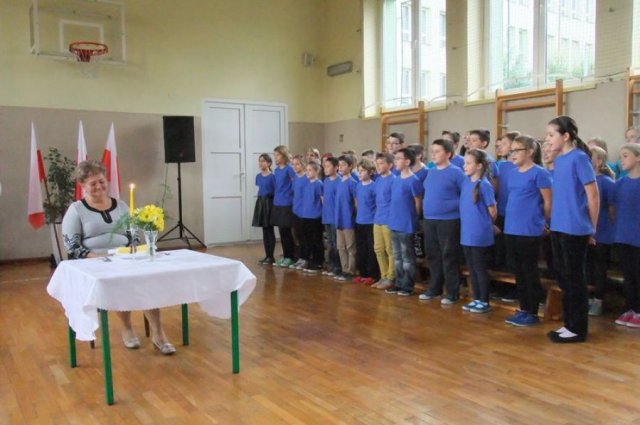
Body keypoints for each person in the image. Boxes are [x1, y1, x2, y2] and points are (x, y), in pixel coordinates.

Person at [62, 160, 175, 354]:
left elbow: (133, 235)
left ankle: (159, 334)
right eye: (93, 183)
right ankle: (127, 328)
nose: (99, 186)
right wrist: (95, 256)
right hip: (94, 262)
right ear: (83, 186)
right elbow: (71, 244)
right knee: (118, 282)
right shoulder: (76, 209)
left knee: (147, 282)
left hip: (125, 258)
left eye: (102, 181)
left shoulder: (121, 205)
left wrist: (131, 249)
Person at [546, 116, 599, 344]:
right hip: (558, 226)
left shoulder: (579, 158)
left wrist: (592, 228)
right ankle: (569, 324)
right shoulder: (559, 161)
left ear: (566, 136)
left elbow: (593, 195)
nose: (548, 139)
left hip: (574, 227)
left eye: (551, 135)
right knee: (563, 277)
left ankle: (577, 328)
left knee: (574, 279)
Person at [502, 136, 552, 326]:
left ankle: (532, 311)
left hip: (529, 229)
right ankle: (523, 308)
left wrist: (543, 222)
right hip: (512, 227)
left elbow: (548, 201)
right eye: (512, 150)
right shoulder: (513, 173)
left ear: (530, 152)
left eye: (517, 150)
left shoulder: (540, 173)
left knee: (529, 271)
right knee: (518, 271)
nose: (513, 154)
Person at [419, 139, 465, 304]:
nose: (434, 154)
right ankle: (435, 288)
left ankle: (452, 292)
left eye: (437, 151)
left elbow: (465, 195)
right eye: (432, 151)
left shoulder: (456, 172)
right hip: (430, 220)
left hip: (449, 220)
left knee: (449, 255)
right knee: (433, 255)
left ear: (448, 154)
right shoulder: (430, 172)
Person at [458, 149, 497, 313]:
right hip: (466, 232)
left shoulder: (484, 185)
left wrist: (486, 225)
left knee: (480, 268)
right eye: (464, 163)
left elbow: (492, 211)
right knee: (472, 268)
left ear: (479, 166)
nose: (464, 166)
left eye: (468, 163)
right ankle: (476, 298)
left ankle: (484, 300)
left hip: (479, 233)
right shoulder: (466, 182)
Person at [385, 148, 424, 296]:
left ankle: (407, 286)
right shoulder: (396, 180)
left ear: (407, 162)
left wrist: (414, 219)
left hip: (406, 224)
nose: (395, 161)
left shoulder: (414, 180)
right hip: (394, 222)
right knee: (397, 256)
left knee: (407, 257)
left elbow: (417, 203)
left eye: (398, 159)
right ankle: (399, 283)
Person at [612, 143, 640, 328]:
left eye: (626, 156)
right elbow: (613, 209)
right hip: (623, 235)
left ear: (638, 157)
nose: (621, 160)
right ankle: (631, 308)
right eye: (621, 156)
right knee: (628, 275)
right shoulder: (620, 183)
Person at [586, 146, 615, 316]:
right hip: (586, 229)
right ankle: (588, 297)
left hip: (602, 230)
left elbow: (612, 209)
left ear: (599, 161)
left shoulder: (606, 182)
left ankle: (598, 299)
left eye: (591, 157)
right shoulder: (585, 180)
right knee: (587, 266)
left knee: (599, 266)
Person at [371, 152, 397, 290]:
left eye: (381, 163)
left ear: (390, 165)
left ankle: (391, 277)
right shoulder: (378, 180)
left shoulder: (394, 180)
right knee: (378, 249)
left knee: (390, 249)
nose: (378, 166)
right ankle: (383, 275)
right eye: (377, 163)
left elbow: (395, 202)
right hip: (378, 218)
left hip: (388, 219)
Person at [353, 158, 380, 285]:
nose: (360, 173)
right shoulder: (358, 186)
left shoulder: (374, 186)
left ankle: (372, 274)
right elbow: (357, 202)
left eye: (362, 171)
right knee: (361, 249)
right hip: (359, 221)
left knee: (371, 250)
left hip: (371, 222)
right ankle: (362, 273)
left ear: (370, 172)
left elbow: (377, 204)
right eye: (358, 171)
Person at [271, 145, 297, 268]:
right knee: (282, 231)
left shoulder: (289, 169)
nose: (275, 157)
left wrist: (289, 194)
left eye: (277, 155)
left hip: (287, 203)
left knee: (287, 231)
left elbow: (294, 183)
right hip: (278, 202)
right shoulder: (276, 170)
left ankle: (290, 257)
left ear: (284, 155)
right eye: (275, 155)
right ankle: (286, 255)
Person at [334, 155, 358, 281]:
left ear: (350, 166)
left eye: (343, 165)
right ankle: (344, 269)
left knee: (350, 247)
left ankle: (351, 270)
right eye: (339, 165)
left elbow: (356, 202)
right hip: (339, 219)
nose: (341, 167)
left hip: (348, 220)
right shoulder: (339, 182)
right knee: (341, 247)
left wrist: (354, 216)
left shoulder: (352, 183)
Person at [299, 161, 324, 273]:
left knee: (316, 240)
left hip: (315, 217)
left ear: (316, 171)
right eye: (307, 170)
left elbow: (322, 200)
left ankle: (318, 262)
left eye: (310, 170)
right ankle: (309, 260)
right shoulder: (306, 184)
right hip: (306, 215)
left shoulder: (319, 184)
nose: (307, 172)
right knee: (307, 240)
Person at [252, 154, 276, 265]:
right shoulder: (258, 176)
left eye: (263, 161)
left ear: (269, 163)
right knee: (264, 231)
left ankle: (271, 256)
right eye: (259, 161)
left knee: (269, 230)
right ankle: (267, 255)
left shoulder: (273, 176)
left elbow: (275, 191)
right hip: (261, 202)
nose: (260, 163)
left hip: (269, 203)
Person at [321, 157, 342, 277]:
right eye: (324, 166)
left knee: (336, 243)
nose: (325, 169)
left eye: (328, 166)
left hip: (335, 217)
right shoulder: (326, 181)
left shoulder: (339, 181)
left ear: (336, 168)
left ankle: (337, 267)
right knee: (330, 243)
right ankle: (331, 265)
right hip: (327, 216)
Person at [289, 155, 309, 270]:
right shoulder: (295, 178)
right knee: (297, 236)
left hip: (304, 212)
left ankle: (306, 258)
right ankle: (300, 257)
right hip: (295, 210)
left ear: (303, 165)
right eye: (293, 164)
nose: (295, 167)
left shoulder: (307, 178)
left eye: (297, 164)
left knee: (304, 236)